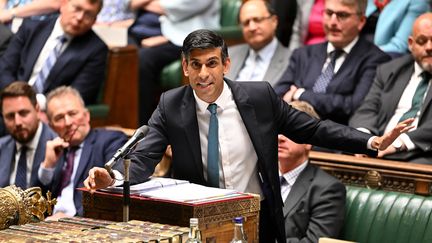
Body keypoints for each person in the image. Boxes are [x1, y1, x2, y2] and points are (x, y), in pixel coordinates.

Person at [84, 29, 412, 242]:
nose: (203, 74)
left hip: (255, 222)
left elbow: (312, 128)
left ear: (226, 64)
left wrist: (370, 141)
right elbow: (144, 157)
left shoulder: (259, 98)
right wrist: (112, 177)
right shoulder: (172, 104)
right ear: (184, 67)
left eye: (211, 63)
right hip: (197, 223)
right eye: (195, 65)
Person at [274, 0, 391, 125]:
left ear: (361, 21)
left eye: (342, 15)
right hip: (291, 132)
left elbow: (353, 106)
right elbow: (276, 95)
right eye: (329, 13)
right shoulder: (303, 54)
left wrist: (300, 93)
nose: (333, 22)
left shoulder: (376, 60)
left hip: (335, 137)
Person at [349, 13, 432, 164]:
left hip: (419, 154)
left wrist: (396, 143)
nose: (429, 47)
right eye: (422, 41)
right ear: (411, 43)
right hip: (375, 148)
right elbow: (367, 109)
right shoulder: (389, 70)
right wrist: (364, 141)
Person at [38, 86, 128, 219]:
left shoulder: (110, 140)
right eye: (59, 118)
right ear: (51, 126)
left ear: (86, 115)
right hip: (47, 223)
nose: (68, 122)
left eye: (73, 113)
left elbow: (114, 192)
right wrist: (48, 166)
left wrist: (72, 219)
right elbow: (37, 201)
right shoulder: (53, 148)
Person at [0, 0, 108, 107]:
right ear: (63, 5)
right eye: (77, 9)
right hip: (10, 100)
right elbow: (5, 69)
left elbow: (79, 93)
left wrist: (35, 104)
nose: (80, 17)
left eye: (88, 14)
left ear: (94, 20)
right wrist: (16, 99)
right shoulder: (31, 29)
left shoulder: (96, 49)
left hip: (50, 113)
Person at [130, 0, 220, 125]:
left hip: (185, 38)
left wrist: (143, 4)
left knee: (142, 59)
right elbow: (130, 4)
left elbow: (175, 7)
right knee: (121, 51)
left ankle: (143, 128)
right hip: (144, 32)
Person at [278, 101, 345, 242]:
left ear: (309, 140)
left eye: (289, 131)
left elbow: (315, 241)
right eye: (277, 130)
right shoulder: (258, 176)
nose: (280, 138)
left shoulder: (327, 189)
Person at [0, 81, 56, 189]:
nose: (18, 122)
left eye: (23, 113)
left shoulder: (57, 146)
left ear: (37, 110)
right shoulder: (1, 147)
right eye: (10, 116)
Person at [226, 0, 290, 87]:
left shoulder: (291, 60)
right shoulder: (228, 54)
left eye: (257, 20)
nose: (252, 27)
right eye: (246, 23)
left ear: (274, 21)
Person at [362, 0, 429, 56]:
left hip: (387, 56)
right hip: (359, 49)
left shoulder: (417, 2)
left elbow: (399, 46)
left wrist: (365, 55)